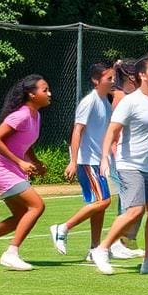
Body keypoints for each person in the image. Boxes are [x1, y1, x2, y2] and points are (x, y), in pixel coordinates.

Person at [90, 54, 148, 276]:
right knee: (135, 210)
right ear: (142, 75)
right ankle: (101, 249)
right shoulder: (130, 101)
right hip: (129, 164)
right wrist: (104, 158)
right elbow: (112, 130)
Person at [0, 75, 51, 270]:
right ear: (32, 94)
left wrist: (35, 162)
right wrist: (20, 162)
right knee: (37, 206)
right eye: (44, 90)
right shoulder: (19, 115)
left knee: (22, 214)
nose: (49, 94)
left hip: (11, 167)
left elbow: (26, 143)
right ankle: (11, 253)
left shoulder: (35, 116)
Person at [50, 63, 114, 257]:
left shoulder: (105, 102)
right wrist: (73, 160)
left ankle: (95, 248)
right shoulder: (90, 101)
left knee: (99, 206)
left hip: (99, 162)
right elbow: (77, 130)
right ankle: (62, 228)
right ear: (96, 80)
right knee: (104, 201)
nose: (113, 82)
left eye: (113, 78)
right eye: (109, 78)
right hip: (87, 162)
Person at [105, 59, 144, 260]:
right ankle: (115, 244)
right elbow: (115, 129)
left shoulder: (131, 95)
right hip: (121, 157)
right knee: (128, 203)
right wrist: (115, 154)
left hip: (131, 157)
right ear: (131, 76)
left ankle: (123, 242)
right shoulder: (120, 96)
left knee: (133, 202)